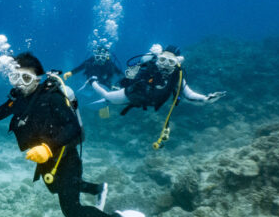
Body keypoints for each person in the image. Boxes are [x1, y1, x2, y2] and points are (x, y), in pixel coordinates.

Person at [0, 51, 145, 217]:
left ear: (37, 78)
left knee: (72, 211)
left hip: (65, 157)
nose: (20, 84)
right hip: (45, 158)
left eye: (25, 78)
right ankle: (97, 189)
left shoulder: (52, 97)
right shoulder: (18, 99)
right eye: (15, 78)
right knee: (55, 187)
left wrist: (48, 148)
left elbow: (73, 128)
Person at [90, 44, 226, 148]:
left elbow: (189, 94)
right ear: (158, 59)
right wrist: (93, 81)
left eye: (171, 62)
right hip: (131, 95)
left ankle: (104, 94)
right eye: (162, 60)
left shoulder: (177, 76)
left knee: (111, 98)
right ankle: (93, 82)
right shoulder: (150, 66)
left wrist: (206, 99)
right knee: (108, 96)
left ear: (177, 63)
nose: (165, 65)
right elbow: (131, 69)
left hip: (149, 101)